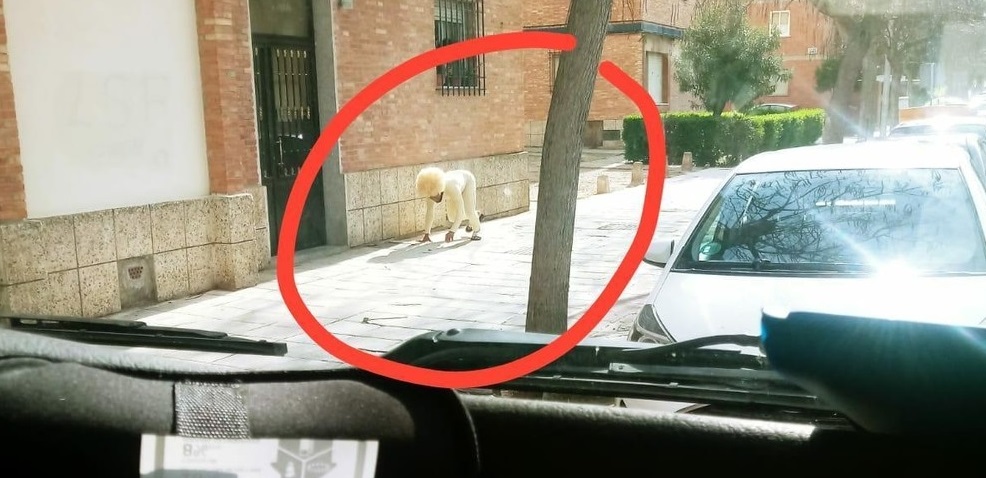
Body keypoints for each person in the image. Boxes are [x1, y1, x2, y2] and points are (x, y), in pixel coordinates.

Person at [415, 166, 482, 242]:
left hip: (467, 181)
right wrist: (426, 234)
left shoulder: (451, 187)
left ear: (440, 190)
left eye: (435, 196)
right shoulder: (429, 191)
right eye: (431, 197)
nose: (434, 199)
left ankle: (477, 229)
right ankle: (475, 216)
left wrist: (452, 231)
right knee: (452, 218)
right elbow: (429, 211)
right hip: (454, 183)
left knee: (469, 212)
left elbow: (461, 211)